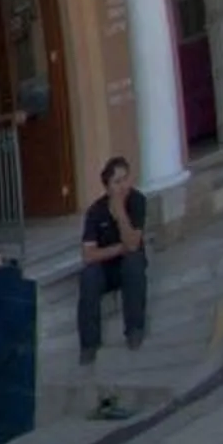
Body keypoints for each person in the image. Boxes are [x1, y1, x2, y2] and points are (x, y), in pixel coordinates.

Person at [77, 156, 147, 366]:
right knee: (88, 275)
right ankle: (89, 345)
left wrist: (120, 214)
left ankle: (134, 330)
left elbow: (133, 245)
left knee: (134, 262)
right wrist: (119, 248)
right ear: (107, 187)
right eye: (117, 182)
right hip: (106, 269)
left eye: (126, 179)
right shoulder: (95, 212)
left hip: (130, 263)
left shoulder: (137, 200)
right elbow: (88, 255)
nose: (123, 186)